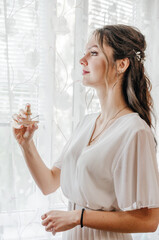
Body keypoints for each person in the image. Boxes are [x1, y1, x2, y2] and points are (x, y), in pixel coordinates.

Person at [13, 24, 159, 240]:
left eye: (93, 53)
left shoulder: (135, 131)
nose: (82, 60)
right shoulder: (86, 124)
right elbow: (49, 183)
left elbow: (149, 220)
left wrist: (78, 217)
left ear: (122, 64)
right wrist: (26, 145)